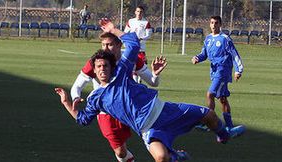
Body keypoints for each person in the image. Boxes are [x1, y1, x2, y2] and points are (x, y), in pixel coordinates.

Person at [56, 19, 245, 162]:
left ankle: (224, 135)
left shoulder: (121, 71)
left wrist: (113, 29)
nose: (102, 69)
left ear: (111, 66)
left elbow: (133, 43)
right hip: (148, 128)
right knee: (161, 158)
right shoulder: (96, 98)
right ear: (94, 70)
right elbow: (82, 120)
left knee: (210, 116)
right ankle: (174, 156)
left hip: (165, 110)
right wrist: (66, 102)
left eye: (105, 65)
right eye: (98, 67)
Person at [70, 23, 166, 162]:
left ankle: (169, 153)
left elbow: (153, 82)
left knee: (152, 133)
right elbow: (76, 86)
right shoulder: (97, 62)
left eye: (109, 45)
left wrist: (155, 74)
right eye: (103, 45)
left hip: (131, 107)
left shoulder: (131, 59)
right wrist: (76, 97)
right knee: (120, 152)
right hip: (106, 113)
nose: (105, 48)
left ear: (119, 45)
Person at [191, 16, 244, 131]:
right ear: (209, 24)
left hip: (223, 71)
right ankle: (229, 126)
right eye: (211, 23)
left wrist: (238, 70)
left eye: (216, 23)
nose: (213, 25)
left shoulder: (225, 39)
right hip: (214, 71)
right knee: (222, 99)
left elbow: (234, 54)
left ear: (220, 25)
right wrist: (197, 58)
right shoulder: (208, 38)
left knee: (210, 94)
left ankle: (209, 123)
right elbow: (203, 54)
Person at [124, 6, 152, 83]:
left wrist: (141, 38)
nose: (139, 13)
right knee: (133, 66)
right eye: (138, 11)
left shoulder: (146, 23)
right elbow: (126, 32)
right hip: (132, 48)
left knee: (143, 65)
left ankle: (140, 79)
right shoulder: (130, 21)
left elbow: (149, 35)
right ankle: (135, 82)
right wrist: (127, 41)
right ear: (135, 12)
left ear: (143, 13)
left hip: (141, 48)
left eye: (141, 12)